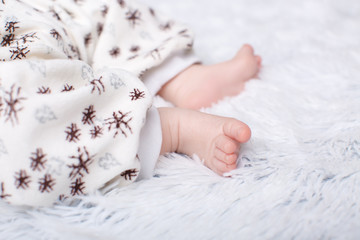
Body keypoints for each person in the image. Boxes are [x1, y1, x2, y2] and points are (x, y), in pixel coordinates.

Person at [0, 0, 261, 206]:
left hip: (29, 13)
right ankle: (166, 129)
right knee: (20, 128)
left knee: (105, 10)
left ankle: (179, 76)